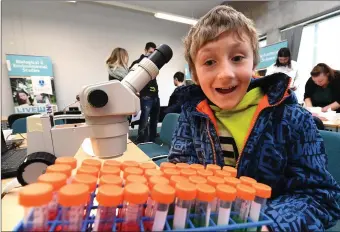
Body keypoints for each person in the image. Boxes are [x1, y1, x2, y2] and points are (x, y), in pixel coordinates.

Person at [168, 5, 340, 231]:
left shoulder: (291, 119)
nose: (226, 74)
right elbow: (180, 170)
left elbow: (320, 197)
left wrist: (268, 223)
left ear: (254, 63)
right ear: (194, 72)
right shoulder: (192, 115)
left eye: (237, 57)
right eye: (209, 62)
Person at [130, 42, 160, 143]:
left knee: (154, 119)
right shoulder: (138, 62)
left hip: (155, 95)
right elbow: (131, 77)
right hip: (146, 96)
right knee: (144, 119)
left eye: (153, 53)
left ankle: (153, 139)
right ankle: (142, 140)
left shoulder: (154, 64)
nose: (152, 54)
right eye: (150, 52)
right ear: (145, 50)